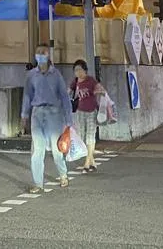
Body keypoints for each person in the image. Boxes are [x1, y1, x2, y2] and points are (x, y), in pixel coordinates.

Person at [20, 43, 73, 192]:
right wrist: (24, 115)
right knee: (37, 150)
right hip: (37, 113)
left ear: (48, 55)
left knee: (57, 149)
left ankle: (63, 175)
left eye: (43, 53)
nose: (40, 56)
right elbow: (27, 95)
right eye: (38, 53)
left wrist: (69, 121)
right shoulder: (31, 75)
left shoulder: (56, 75)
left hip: (54, 114)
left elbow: (64, 97)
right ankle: (38, 183)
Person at [69, 59, 105, 173]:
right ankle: (92, 162)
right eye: (76, 70)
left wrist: (96, 92)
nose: (78, 72)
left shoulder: (91, 81)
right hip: (80, 112)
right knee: (83, 137)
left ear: (85, 70)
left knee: (90, 136)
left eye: (80, 70)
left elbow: (102, 90)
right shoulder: (75, 81)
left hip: (91, 111)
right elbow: (68, 91)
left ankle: (86, 163)